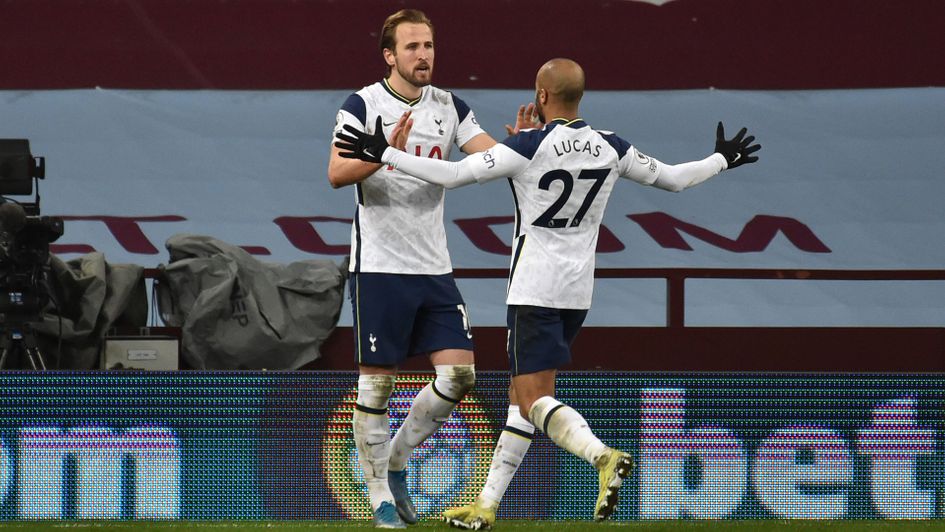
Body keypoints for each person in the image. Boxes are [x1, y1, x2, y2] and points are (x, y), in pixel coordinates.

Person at [335, 57, 761, 529]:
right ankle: (486, 506)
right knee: (523, 402)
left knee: (534, 400)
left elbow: (454, 175)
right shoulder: (610, 146)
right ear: (580, 96)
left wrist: (387, 154)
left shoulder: (529, 145)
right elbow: (677, 179)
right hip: (578, 292)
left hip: (534, 288)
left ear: (541, 97)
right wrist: (723, 158)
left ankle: (601, 456)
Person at [326, 8, 538, 530]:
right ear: (390, 55)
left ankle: (395, 462)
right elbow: (336, 173)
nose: (424, 55)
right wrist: (384, 154)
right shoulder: (364, 104)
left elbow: (488, 158)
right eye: (413, 47)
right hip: (379, 266)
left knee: (460, 374)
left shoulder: (449, 106)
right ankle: (378, 498)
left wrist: (524, 146)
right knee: (376, 386)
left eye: (429, 45)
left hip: (433, 266)